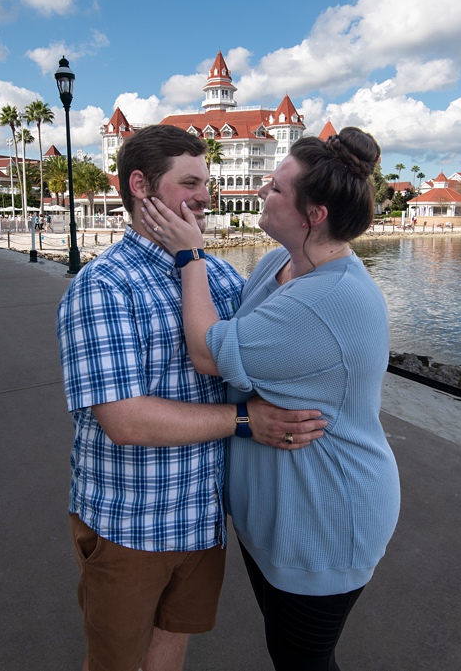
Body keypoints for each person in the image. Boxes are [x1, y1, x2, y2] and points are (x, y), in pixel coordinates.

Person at [57, 124, 327, 671]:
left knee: (171, 647)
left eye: (205, 182)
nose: (205, 195)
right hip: (130, 522)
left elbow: (279, 327)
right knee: (113, 663)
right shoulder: (103, 286)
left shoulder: (220, 275)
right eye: (189, 183)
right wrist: (245, 421)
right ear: (140, 185)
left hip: (201, 517)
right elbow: (124, 419)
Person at [142, 127, 401, 671]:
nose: (264, 188)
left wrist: (190, 256)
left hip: (324, 518)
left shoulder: (329, 298)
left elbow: (211, 353)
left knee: (301, 661)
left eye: (278, 188)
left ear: (314, 214)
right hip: (278, 517)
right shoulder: (276, 266)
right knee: (291, 653)